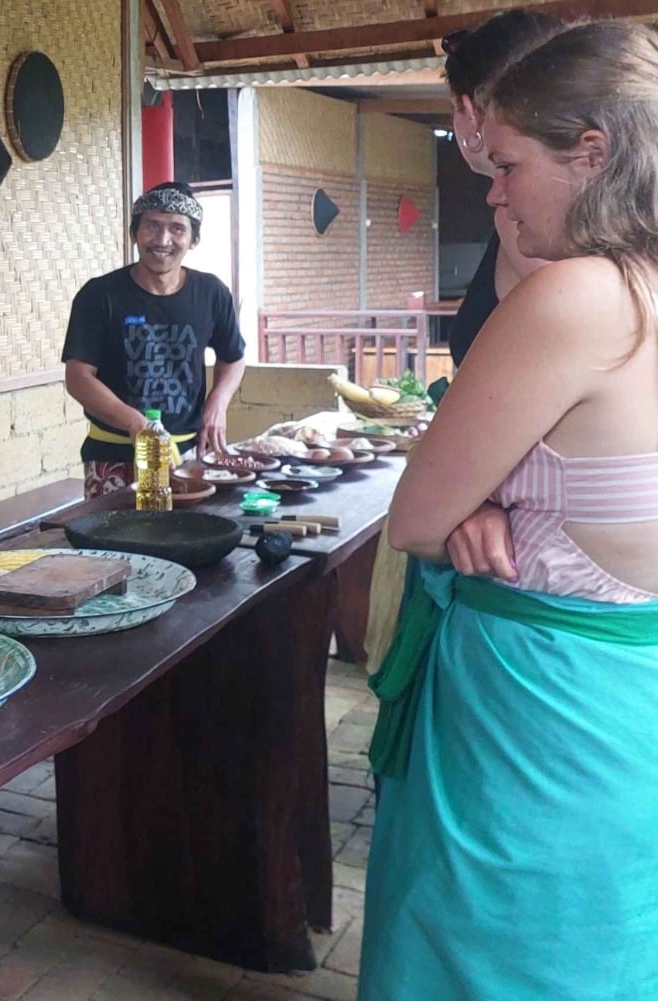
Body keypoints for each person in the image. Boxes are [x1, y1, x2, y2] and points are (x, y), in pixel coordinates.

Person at [361, 22, 658, 999]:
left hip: (537, 702)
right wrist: (494, 490)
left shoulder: (576, 296)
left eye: (508, 165)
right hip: (631, 697)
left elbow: (415, 517)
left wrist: (473, 494)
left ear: (592, 154)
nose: (493, 193)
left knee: (485, 950)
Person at [362, 8, 565, 675]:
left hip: (524, 568)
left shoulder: (532, 229)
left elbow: (546, 386)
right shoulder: (529, 216)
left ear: (470, 113)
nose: (498, 192)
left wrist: (481, 494)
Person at [61, 182, 245, 498]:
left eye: (177, 228)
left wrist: (218, 402)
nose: (162, 239)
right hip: (113, 456)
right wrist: (135, 423)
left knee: (190, 529)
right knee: (111, 531)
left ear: (193, 239)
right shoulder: (99, 295)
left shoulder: (211, 293)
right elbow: (78, 378)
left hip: (187, 454)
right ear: (134, 233)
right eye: (152, 226)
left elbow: (233, 356)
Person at [441, 9, 562, 366]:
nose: (497, 195)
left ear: (469, 111)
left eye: (452, 108)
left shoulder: (521, 216)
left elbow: (572, 340)